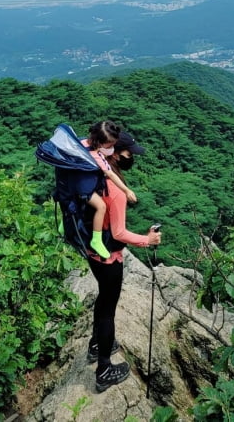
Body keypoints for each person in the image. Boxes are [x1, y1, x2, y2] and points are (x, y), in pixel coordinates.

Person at [86, 129, 162, 393]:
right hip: (108, 257)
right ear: (115, 154)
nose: (133, 158)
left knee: (103, 299)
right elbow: (118, 232)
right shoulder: (114, 191)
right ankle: (104, 369)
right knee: (108, 310)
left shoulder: (94, 175)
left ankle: (96, 344)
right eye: (129, 153)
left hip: (92, 251)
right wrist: (147, 240)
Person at [81, 121, 138, 260]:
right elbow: (119, 233)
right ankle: (96, 239)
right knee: (101, 206)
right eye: (110, 145)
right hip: (82, 188)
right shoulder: (96, 157)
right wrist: (126, 190)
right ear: (100, 143)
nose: (111, 148)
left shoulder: (82, 144)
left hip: (73, 185)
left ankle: (66, 226)